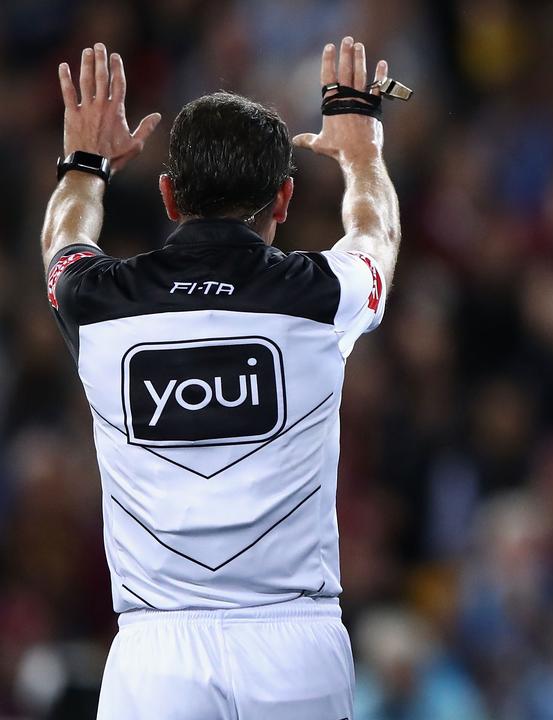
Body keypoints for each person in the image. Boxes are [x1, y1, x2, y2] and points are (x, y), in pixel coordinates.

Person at [42, 37, 404, 719]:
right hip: (296, 648)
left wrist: (85, 164)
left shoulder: (97, 304)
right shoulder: (319, 296)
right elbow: (374, 233)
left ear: (168, 195)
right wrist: (362, 152)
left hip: (155, 654)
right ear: (286, 199)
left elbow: (62, 240)